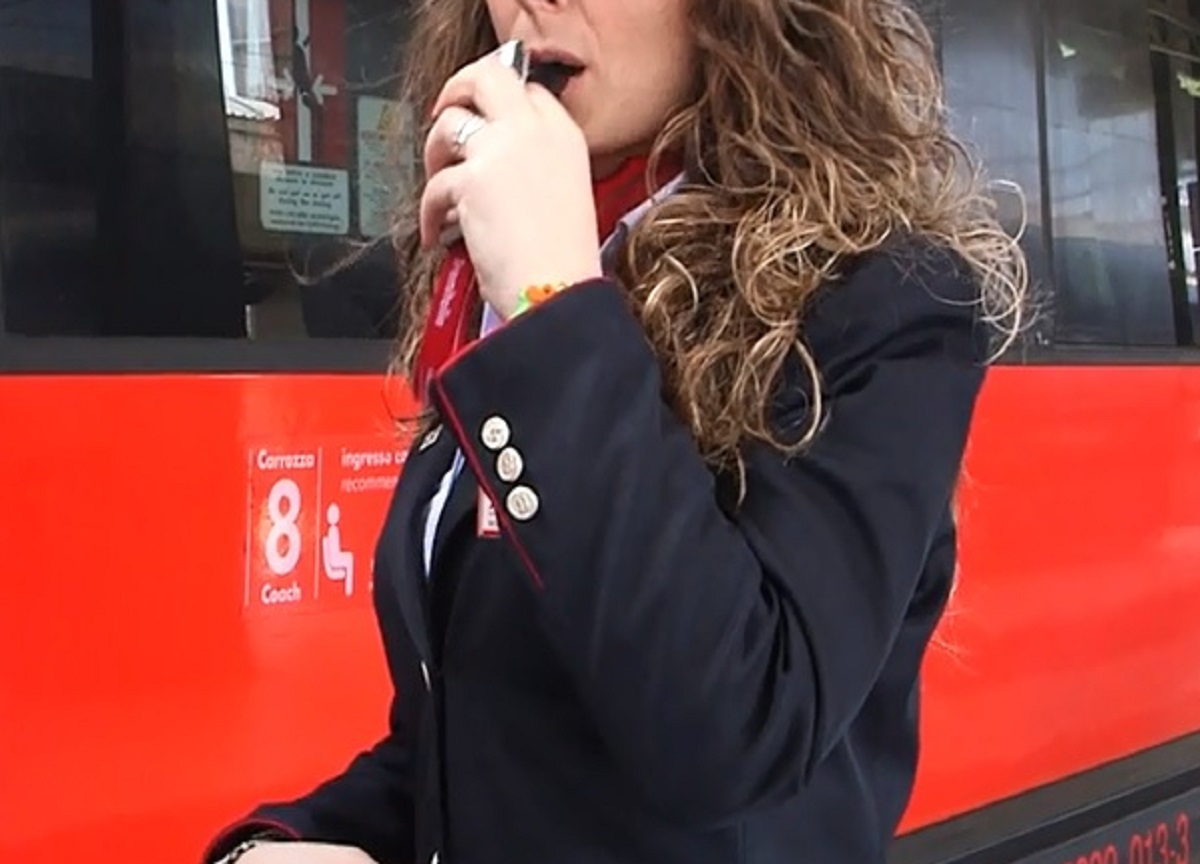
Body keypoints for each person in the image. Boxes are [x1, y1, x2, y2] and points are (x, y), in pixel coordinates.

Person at [202, 0, 1026, 862]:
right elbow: (481, 735)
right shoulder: (521, 274)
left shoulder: (882, 298)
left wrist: (549, 304)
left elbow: (738, 728)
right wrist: (296, 841)